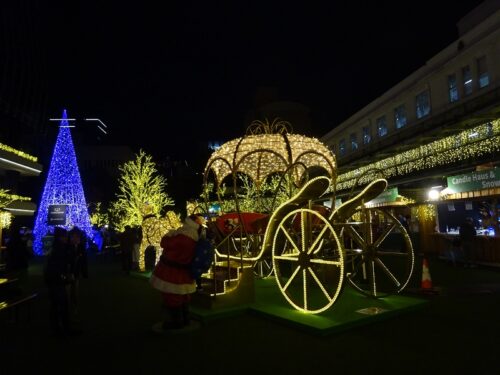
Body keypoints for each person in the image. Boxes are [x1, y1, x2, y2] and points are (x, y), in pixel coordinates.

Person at [150, 214, 206, 330]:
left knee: (171, 296)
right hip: (184, 272)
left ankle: (175, 322)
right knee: (184, 296)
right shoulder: (194, 237)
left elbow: (164, 243)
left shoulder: (183, 236)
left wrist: (168, 234)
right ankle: (185, 319)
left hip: (172, 273)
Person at [44, 227, 73, 335]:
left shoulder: (55, 247)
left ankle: (57, 327)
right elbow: (60, 265)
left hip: (52, 279)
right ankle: (62, 328)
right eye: (65, 236)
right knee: (61, 304)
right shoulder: (60, 248)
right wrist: (64, 277)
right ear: (62, 237)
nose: (67, 238)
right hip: (57, 280)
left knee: (56, 304)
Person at [67, 227, 88, 318]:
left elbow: (84, 261)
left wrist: (84, 272)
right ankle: (67, 309)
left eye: (77, 237)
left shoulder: (81, 247)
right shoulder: (67, 247)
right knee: (67, 292)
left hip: (76, 273)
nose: (75, 239)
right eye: (73, 237)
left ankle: (75, 307)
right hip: (67, 273)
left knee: (75, 291)